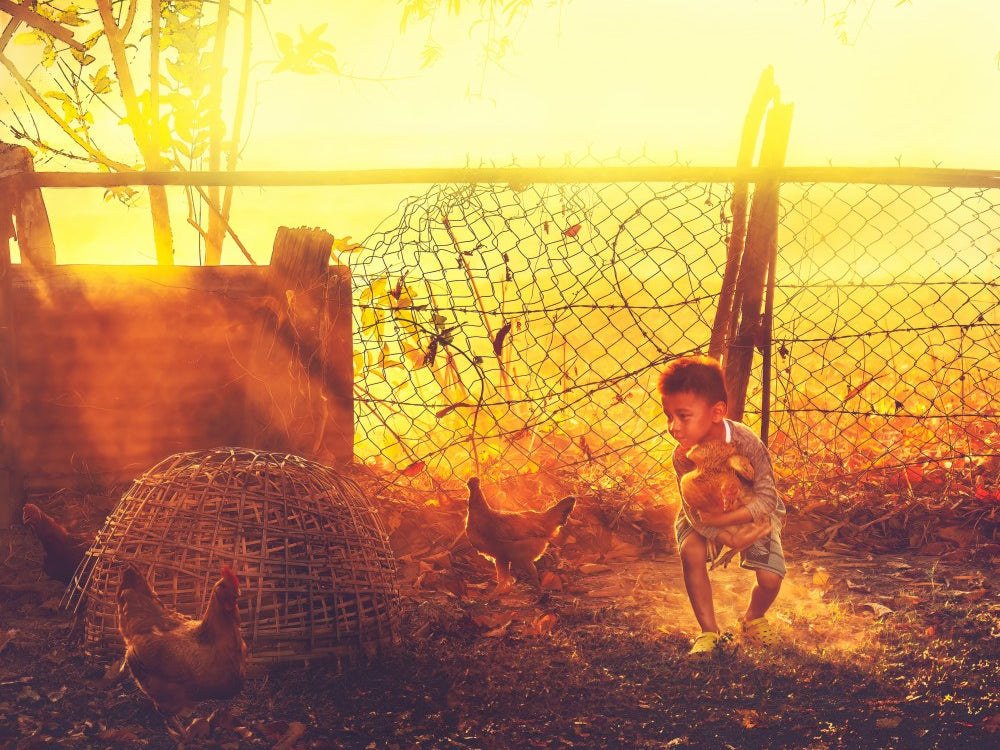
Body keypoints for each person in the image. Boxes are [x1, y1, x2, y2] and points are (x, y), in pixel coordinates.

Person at [658, 355, 786, 657]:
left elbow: (767, 497)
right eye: (668, 416)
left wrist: (738, 524)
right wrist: (724, 536)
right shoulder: (682, 455)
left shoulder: (746, 442)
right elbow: (693, 510)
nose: (673, 427)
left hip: (751, 509)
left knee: (771, 578)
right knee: (691, 550)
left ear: (717, 412)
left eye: (683, 416)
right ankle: (708, 631)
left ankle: (753, 619)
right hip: (705, 516)